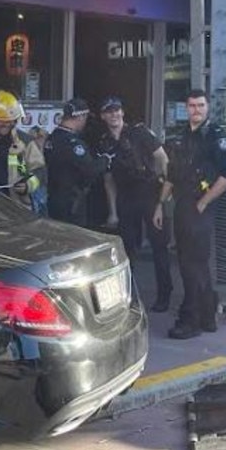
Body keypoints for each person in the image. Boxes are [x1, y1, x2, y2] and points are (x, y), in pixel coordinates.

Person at [156, 89, 226, 339]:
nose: (196, 110)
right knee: (191, 264)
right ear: (186, 108)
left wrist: (203, 202)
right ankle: (207, 317)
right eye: (192, 106)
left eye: (201, 105)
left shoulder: (215, 136)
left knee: (193, 265)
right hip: (182, 204)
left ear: (207, 107)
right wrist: (160, 204)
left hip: (199, 206)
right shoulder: (181, 137)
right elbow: (172, 175)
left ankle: (189, 320)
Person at [97, 96, 172, 313]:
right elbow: (108, 180)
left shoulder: (139, 132)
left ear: (123, 112)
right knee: (126, 249)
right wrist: (113, 212)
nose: (114, 115)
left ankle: (164, 295)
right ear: (103, 116)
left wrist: (163, 193)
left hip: (149, 192)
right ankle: (126, 295)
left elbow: (162, 158)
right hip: (126, 196)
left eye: (117, 110)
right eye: (109, 111)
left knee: (159, 247)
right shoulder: (105, 142)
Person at [44, 98, 108, 226]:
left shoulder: (51, 138)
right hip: (71, 202)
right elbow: (90, 170)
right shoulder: (72, 143)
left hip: (53, 198)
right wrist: (105, 159)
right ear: (80, 116)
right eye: (85, 117)